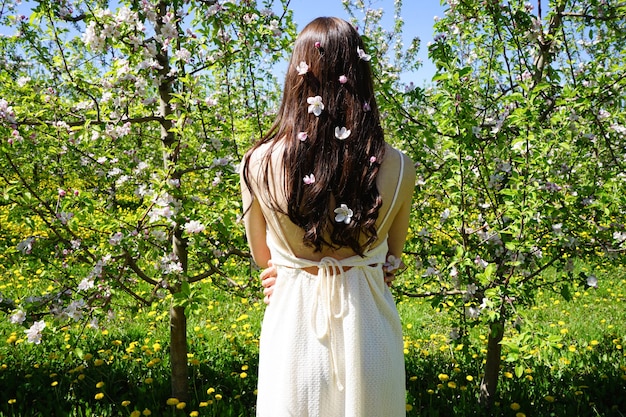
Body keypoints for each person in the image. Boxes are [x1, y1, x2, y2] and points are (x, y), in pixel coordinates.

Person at [240, 17, 416, 417]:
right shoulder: (400, 166)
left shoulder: (258, 163)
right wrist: (373, 266)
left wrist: (285, 268)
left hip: (293, 331)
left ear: (297, 75)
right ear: (360, 76)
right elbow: (392, 260)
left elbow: (263, 260)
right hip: (369, 331)